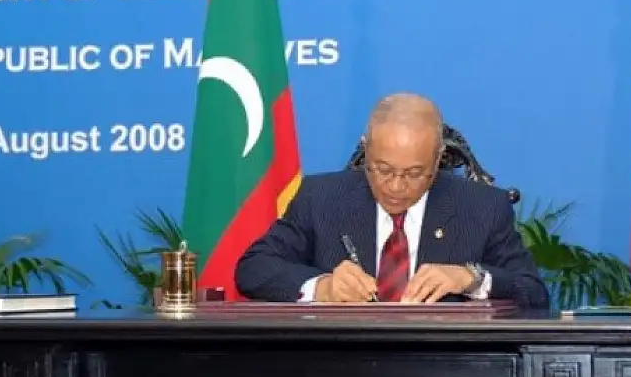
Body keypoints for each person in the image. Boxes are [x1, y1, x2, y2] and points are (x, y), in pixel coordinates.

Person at [234, 93, 550, 309]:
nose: (396, 186)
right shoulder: (321, 198)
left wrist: (471, 279)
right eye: (383, 169)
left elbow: (533, 292)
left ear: (438, 158)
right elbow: (253, 268)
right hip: (338, 370)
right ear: (366, 150)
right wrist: (323, 287)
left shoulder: (481, 207)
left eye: (414, 173)